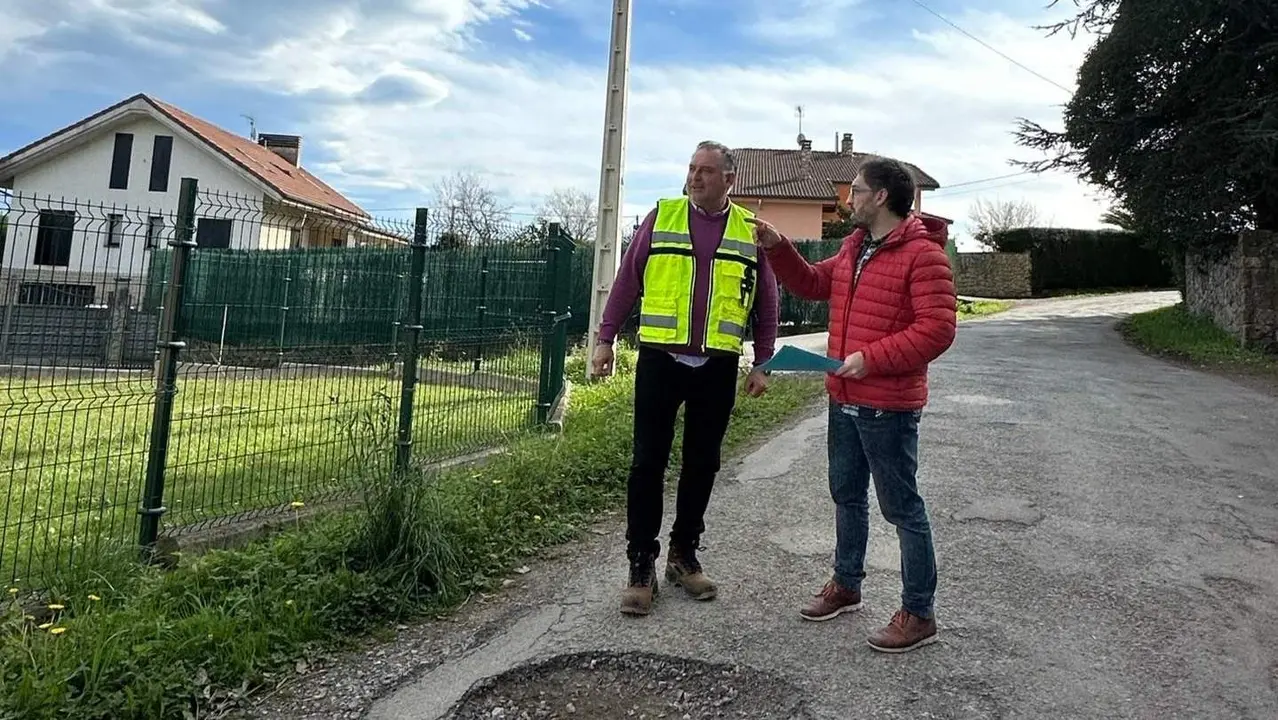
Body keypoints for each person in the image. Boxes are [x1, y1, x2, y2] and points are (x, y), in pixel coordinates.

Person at [748, 156, 956, 653]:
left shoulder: (924, 256)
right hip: (843, 398)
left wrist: (872, 359)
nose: (849, 198)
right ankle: (847, 584)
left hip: (888, 404)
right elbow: (814, 284)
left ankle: (919, 612)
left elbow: (939, 329)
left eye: (857, 190)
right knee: (846, 495)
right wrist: (779, 248)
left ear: (881, 196)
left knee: (902, 507)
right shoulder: (854, 247)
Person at [592, 140, 779, 617]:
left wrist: (763, 361)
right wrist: (605, 339)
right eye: (693, 169)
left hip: (716, 365)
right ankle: (640, 564)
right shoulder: (663, 216)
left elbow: (767, 301)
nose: (696, 177)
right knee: (646, 464)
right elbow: (627, 281)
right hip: (660, 360)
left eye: (707, 171)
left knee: (703, 464)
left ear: (729, 180)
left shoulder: (750, 232)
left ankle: (683, 555)